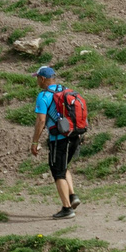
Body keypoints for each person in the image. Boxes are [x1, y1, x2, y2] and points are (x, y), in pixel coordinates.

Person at [25, 65, 83, 219]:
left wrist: (34, 142)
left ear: (42, 79)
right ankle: (72, 196)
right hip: (75, 135)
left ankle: (67, 209)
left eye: (37, 78)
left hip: (59, 139)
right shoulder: (65, 90)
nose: (37, 81)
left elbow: (41, 120)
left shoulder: (44, 96)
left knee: (58, 173)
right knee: (64, 167)